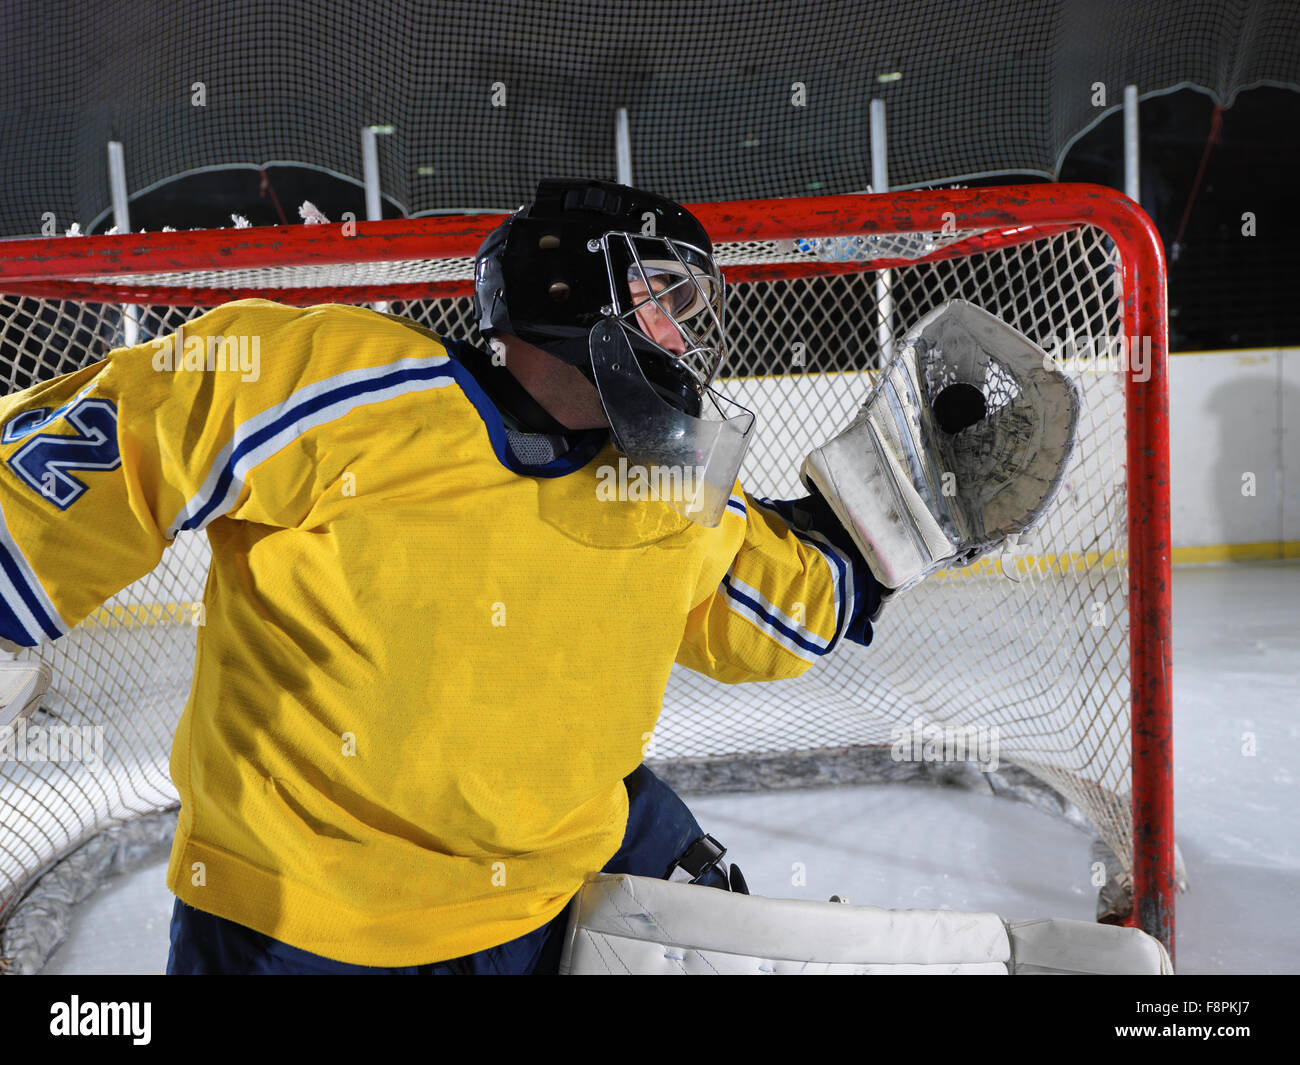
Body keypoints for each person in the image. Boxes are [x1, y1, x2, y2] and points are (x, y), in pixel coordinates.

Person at [0, 178, 880, 974]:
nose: (686, 336)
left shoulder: (667, 485)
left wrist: (890, 526)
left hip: (546, 911)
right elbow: (117, 442)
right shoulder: (341, 387)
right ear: (567, 291)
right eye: (664, 298)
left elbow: (777, 609)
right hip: (296, 934)